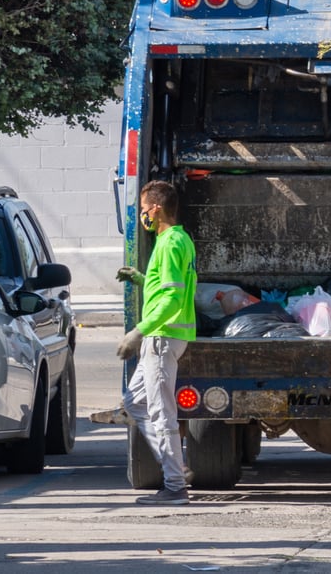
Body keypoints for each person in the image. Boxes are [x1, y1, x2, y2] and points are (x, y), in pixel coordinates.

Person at [115, 180, 197, 506]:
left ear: (157, 208)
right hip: (165, 336)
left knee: (162, 413)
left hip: (162, 338)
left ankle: (175, 486)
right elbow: (166, 288)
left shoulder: (170, 243)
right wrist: (140, 278)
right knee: (134, 402)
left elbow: (173, 299)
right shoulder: (177, 240)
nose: (144, 216)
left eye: (145, 209)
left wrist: (139, 331)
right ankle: (174, 466)